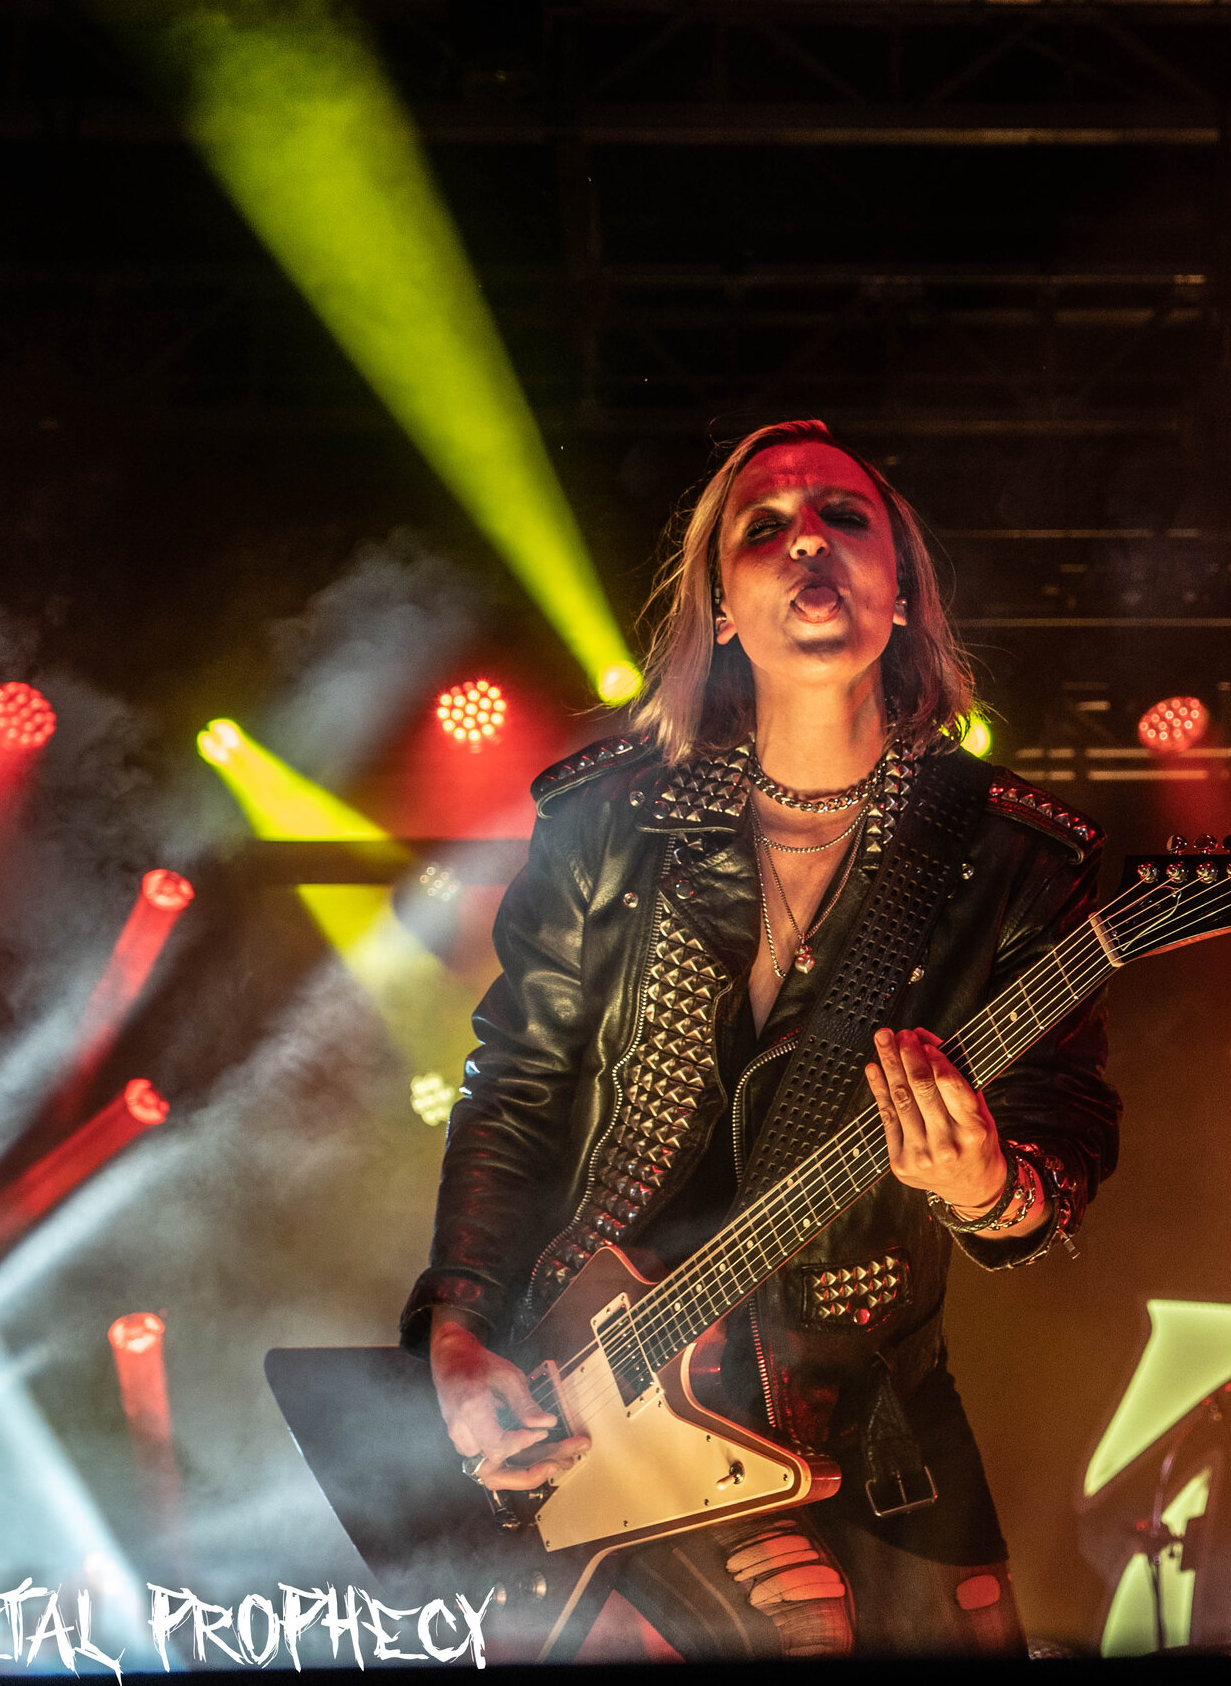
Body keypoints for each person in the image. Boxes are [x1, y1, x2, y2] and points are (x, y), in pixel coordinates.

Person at [401, 420, 1119, 1657]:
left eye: (844, 519)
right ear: (720, 604)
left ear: (903, 593)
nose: (807, 547)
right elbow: (514, 1090)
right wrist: (462, 1328)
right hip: (601, 1399)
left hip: (879, 1422)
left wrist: (992, 1187)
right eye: (764, 527)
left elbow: (1065, 1125)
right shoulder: (605, 825)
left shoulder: (1009, 854)